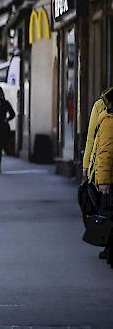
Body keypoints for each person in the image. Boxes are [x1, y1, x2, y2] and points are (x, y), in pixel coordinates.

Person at [83, 87, 113, 262]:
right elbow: (96, 143)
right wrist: (88, 166)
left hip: (104, 172)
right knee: (107, 210)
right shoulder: (104, 111)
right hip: (106, 173)